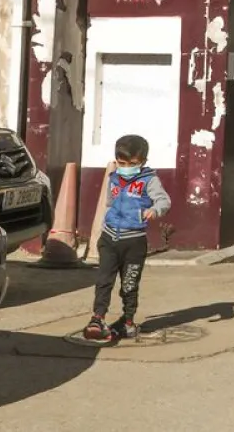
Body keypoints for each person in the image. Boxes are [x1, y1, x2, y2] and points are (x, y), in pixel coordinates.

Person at [83, 134, 171, 342]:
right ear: (116, 161)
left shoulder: (149, 180)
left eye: (133, 164)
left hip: (134, 242)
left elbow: (164, 200)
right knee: (104, 280)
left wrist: (154, 211)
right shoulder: (113, 177)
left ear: (142, 162)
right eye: (122, 163)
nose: (126, 167)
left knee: (129, 284)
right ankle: (98, 318)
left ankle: (128, 320)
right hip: (110, 239)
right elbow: (111, 201)